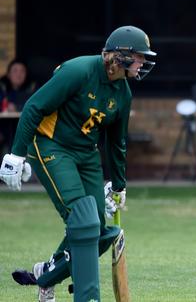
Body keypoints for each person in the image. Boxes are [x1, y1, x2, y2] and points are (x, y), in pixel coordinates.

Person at [1, 26, 156, 302]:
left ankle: (46, 276)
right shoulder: (79, 71)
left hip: (86, 155)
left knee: (97, 231)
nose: (143, 63)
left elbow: (116, 143)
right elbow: (34, 106)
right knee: (83, 221)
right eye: (139, 57)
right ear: (120, 55)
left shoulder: (124, 92)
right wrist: (17, 154)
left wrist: (118, 186)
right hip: (51, 145)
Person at [0, 60, 37, 152]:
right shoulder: (2, 88)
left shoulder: (33, 88)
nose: (18, 74)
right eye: (15, 71)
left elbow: (37, 106)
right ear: (8, 74)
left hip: (27, 133)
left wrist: (17, 107)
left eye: (22, 71)